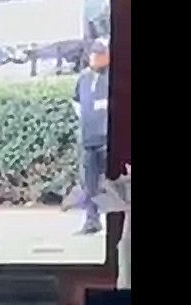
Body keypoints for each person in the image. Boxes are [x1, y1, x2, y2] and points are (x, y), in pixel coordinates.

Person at [71, 39, 111, 235]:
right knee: (90, 184)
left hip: (108, 140)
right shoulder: (84, 78)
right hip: (89, 139)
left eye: (100, 54)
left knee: (114, 185)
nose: (95, 57)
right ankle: (92, 221)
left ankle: (117, 223)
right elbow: (76, 102)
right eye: (93, 54)